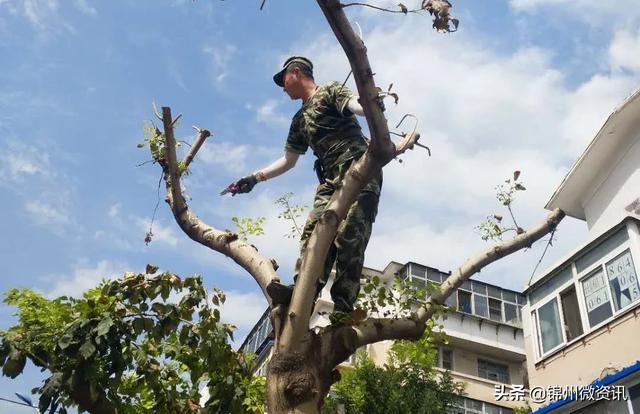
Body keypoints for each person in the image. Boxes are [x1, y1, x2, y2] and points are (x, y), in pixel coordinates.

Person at [229, 56, 382, 319]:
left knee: (349, 237)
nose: (283, 88)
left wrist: (370, 105)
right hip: (329, 182)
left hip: (358, 167)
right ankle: (302, 295)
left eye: (284, 81)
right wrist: (254, 178)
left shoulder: (330, 90)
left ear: (296, 73)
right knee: (313, 235)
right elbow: (289, 160)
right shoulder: (299, 120)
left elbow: (353, 104)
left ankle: (343, 312)